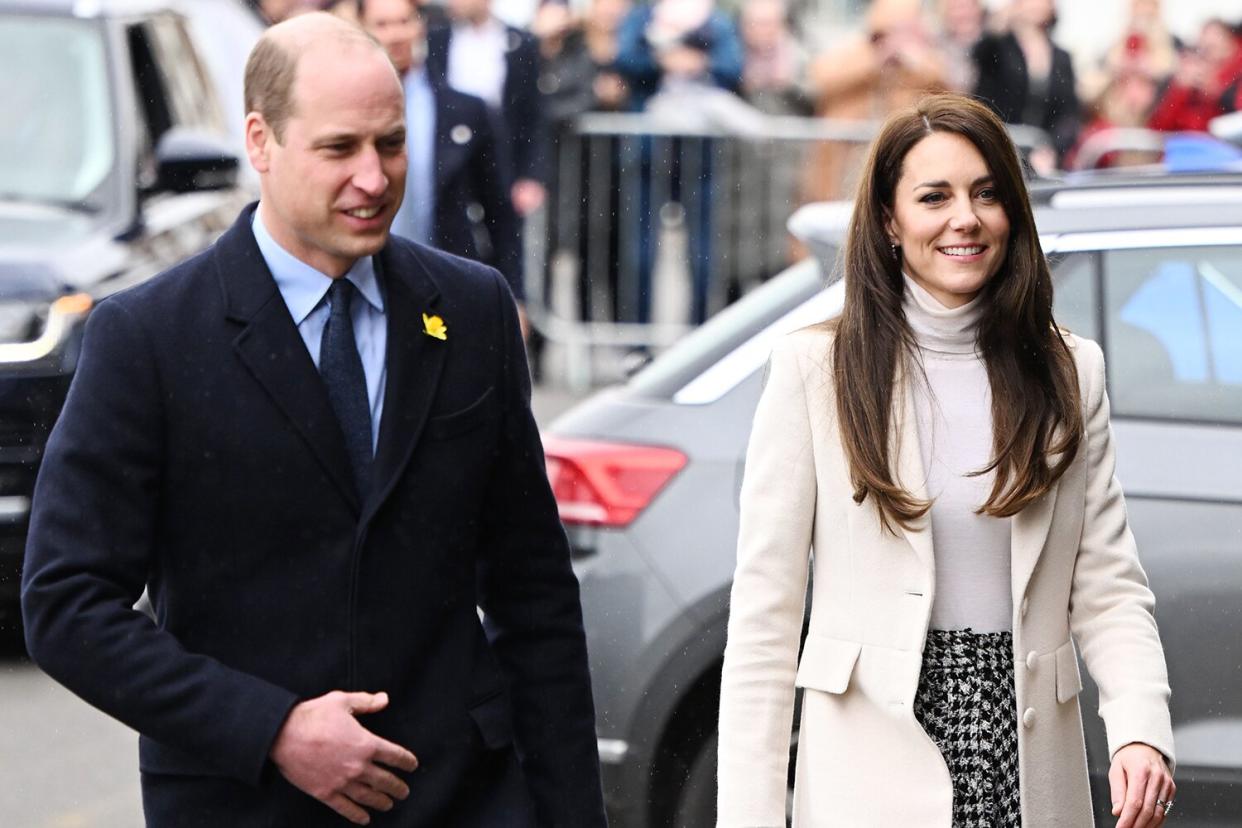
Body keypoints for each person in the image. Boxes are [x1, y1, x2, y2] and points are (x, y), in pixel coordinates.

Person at [21, 13, 606, 828]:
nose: (374, 178)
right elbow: (66, 605)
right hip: (246, 804)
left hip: (462, 798)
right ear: (260, 142)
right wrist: (270, 729)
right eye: (339, 149)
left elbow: (533, 592)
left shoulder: (469, 311)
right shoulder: (149, 337)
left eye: (392, 145)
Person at [717, 93, 1176, 827]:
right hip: (868, 769)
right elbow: (765, 622)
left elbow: (1107, 584)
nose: (965, 217)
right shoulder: (816, 368)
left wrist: (1140, 728)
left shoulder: (1068, 370)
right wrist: (750, 816)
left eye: (987, 194)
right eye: (935, 196)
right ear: (891, 222)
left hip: (1025, 762)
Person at [359, 0, 524, 304]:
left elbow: (500, 211)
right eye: (382, 24)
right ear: (362, 30)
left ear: (419, 25)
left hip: (445, 281)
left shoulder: (464, 110)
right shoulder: (346, 111)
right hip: (366, 280)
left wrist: (514, 295)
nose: (396, 34)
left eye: (404, 21)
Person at [426, 0, 549, 220]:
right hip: (452, 162)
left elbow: (532, 114)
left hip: (503, 160)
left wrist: (531, 175)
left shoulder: (521, 42)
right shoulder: (437, 40)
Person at [972, 0, 1079, 172]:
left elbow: (1068, 114)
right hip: (999, 147)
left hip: (1043, 155)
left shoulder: (1061, 58)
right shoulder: (999, 47)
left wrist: (1052, 149)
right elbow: (979, 59)